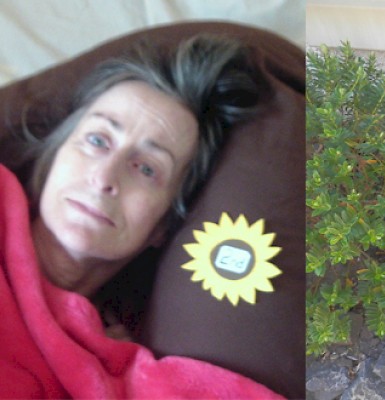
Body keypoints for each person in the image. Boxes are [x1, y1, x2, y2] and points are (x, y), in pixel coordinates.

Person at [0, 34, 279, 397]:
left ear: (162, 226)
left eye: (146, 169)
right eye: (98, 140)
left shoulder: (115, 372)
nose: (104, 178)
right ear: (56, 154)